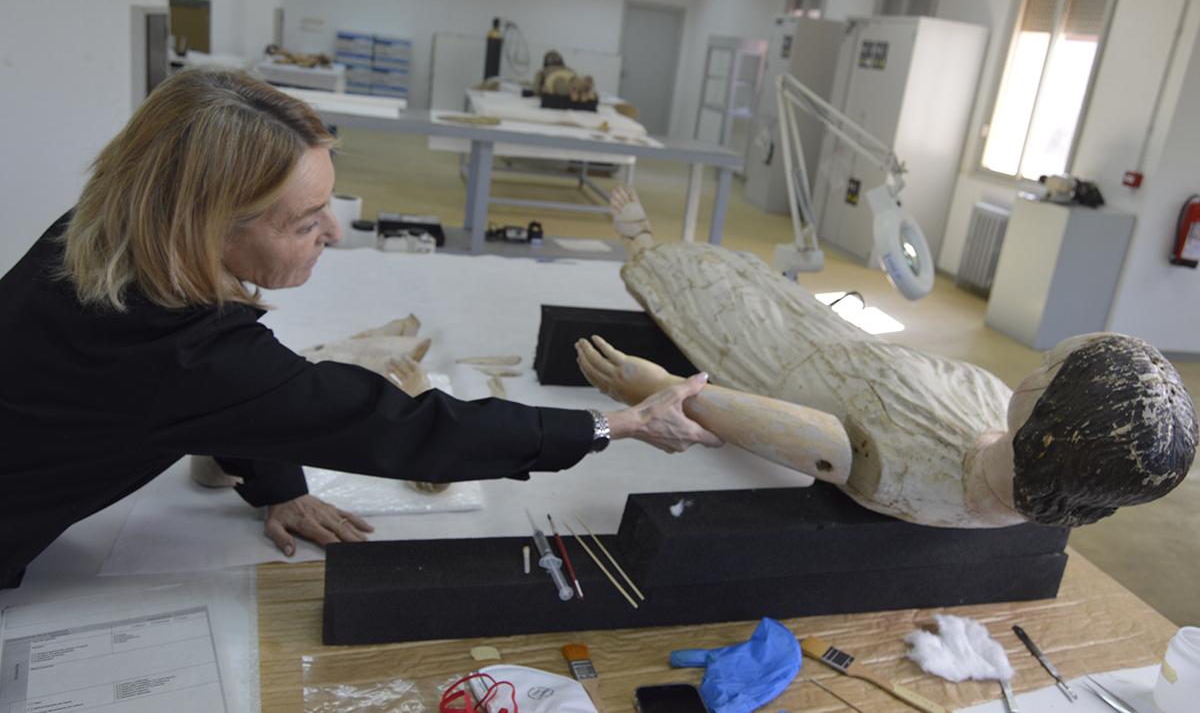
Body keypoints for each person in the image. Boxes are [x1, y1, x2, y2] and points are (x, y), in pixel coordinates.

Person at [0, 69, 721, 589]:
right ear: (206, 224)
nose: (335, 234)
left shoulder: (99, 236)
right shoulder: (189, 352)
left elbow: (218, 401)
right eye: (306, 222)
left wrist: (276, 480)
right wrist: (613, 427)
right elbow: (410, 429)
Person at [575, 186, 1197, 529]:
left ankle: (643, 244)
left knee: (704, 283)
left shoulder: (897, 468)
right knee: (745, 270)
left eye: (1049, 371)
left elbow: (784, 429)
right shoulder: (1001, 422)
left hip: (776, 358)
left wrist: (658, 389)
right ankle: (654, 245)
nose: (1034, 369)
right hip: (832, 338)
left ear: (1056, 423)